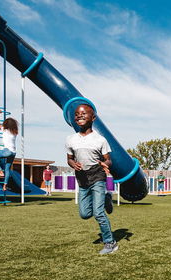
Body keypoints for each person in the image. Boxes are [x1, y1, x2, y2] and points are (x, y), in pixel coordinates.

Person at [65, 103, 118, 255]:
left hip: (97, 176)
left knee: (98, 212)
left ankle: (110, 242)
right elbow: (69, 159)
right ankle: (108, 198)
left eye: (83, 113)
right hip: (82, 180)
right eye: (76, 114)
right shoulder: (70, 139)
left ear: (93, 117)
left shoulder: (100, 140)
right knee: (84, 214)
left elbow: (109, 160)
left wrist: (104, 163)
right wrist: (73, 163)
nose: (79, 115)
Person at [0, 109, 18, 191]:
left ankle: (0, 172)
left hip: (7, 151)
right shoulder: (15, 132)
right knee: (7, 169)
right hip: (13, 152)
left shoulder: (4, 129)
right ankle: (5, 185)